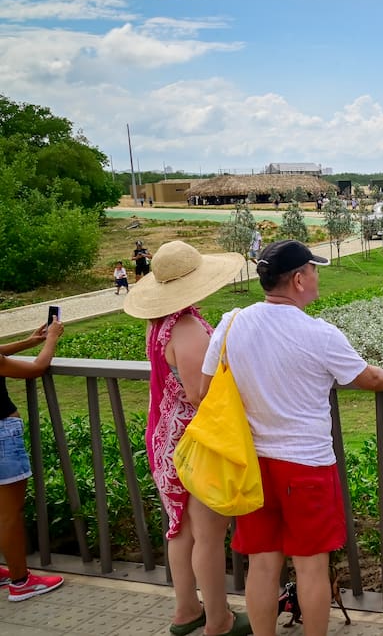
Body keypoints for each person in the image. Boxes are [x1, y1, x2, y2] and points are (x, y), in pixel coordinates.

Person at [203, 240, 383, 636]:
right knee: (311, 566)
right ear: (299, 279)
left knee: (262, 563)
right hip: (306, 466)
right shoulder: (319, 334)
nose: (318, 276)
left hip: (251, 464)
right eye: (314, 270)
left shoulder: (232, 322)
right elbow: (369, 379)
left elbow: (204, 389)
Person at [123, 241, 251, 636]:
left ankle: (186, 611)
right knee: (208, 535)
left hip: (166, 439)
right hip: (194, 443)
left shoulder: (160, 324)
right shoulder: (188, 328)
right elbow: (199, 394)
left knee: (180, 529)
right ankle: (219, 621)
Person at [1, 316, 64, 601]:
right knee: (8, 514)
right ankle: (21, 581)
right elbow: (37, 369)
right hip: (2, 435)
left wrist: (29, 341)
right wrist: (52, 340)